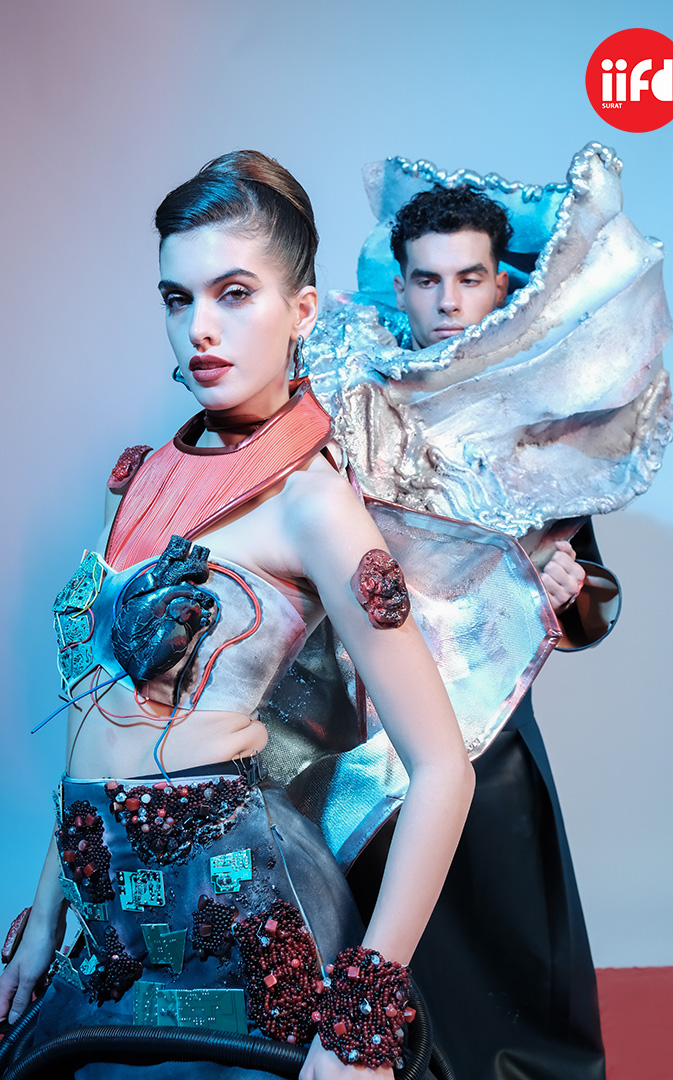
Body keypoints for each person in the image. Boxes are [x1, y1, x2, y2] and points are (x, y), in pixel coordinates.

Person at [0, 153, 476, 1080]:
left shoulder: (312, 504)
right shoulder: (141, 479)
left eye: (234, 294)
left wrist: (361, 1016)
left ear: (302, 310)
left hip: (248, 921)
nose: (201, 328)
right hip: (109, 917)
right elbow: (96, 709)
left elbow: (442, 768)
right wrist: (45, 917)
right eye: (178, 299)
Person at [348, 183, 616, 1080]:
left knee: (514, 953)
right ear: (400, 285)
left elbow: (592, 599)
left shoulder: (540, 421)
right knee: (387, 950)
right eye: (428, 280)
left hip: (493, 735)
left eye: (469, 278)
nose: (449, 301)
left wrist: (565, 588)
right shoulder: (356, 403)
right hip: (370, 734)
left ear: (503, 283)